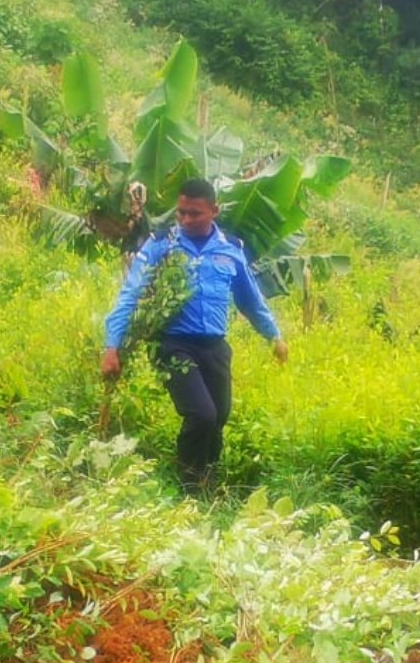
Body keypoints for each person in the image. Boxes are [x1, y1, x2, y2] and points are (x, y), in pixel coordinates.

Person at [99, 177, 288, 494]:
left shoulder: (230, 250)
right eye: (181, 213)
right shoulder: (162, 245)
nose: (186, 220)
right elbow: (129, 295)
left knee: (218, 418)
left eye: (195, 214)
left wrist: (274, 336)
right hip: (173, 344)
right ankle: (189, 487)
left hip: (215, 347)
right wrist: (111, 346)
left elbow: (250, 300)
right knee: (202, 414)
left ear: (214, 211)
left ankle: (207, 483)